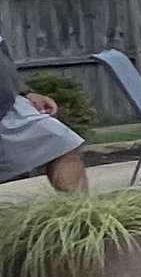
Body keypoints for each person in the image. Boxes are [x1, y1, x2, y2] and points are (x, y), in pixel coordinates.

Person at [0, 44, 88, 194]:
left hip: (11, 107)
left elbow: (4, 64)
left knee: (63, 143)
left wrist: (25, 92)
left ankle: (82, 212)